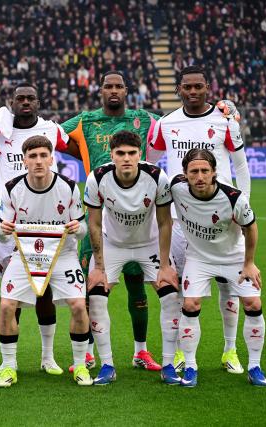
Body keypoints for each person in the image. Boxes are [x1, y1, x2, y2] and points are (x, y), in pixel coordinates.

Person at [148, 65, 251, 374]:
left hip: (224, 215)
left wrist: (241, 209)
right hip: (182, 220)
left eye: (198, 86)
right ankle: (181, 351)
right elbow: (152, 164)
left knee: (229, 287)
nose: (193, 91)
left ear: (208, 87)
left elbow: (241, 167)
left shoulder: (225, 121)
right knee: (181, 286)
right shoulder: (166, 124)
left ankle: (230, 349)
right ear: (179, 89)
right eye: (187, 87)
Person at [62, 71, 162, 371]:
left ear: (127, 90)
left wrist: (226, 109)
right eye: (108, 87)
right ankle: (89, 352)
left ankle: (140, 352)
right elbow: (50, 134)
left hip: (135, 216)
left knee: (136, 284)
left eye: (119, 86)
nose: (114, 91)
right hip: (96, 213)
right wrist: (80, 152)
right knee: (91, 287)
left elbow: (179, 128)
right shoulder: (85, 121)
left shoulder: (145, 119)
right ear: (100, 91)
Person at [0, 82, 69, 376]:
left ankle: (47, 357)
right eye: (20, 99)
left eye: (31, 98)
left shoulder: (51, 130)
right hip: (11, 224)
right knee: (10, 294)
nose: (26, 102)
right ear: (12, 102)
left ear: (38, 101)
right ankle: (9, 362)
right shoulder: (2, 131)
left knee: (46, 294)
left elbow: (80, 148)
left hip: (47, 222)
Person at [0, 136, 92, 388]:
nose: (38, 161)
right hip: (24, 255)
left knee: (79, 306)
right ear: (24, 160)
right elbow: (0, 230)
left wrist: (76, 227)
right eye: (32, 156)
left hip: (63, 256)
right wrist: (3, 230)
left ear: (51, 158)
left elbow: (82, 229)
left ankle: (80, 364)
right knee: (6, 306)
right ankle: (8, 366)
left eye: (43, 155)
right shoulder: (11, 188)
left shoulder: (69, 187)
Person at [84, 130, 178, 385]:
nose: (126, 158)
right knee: (96, 298)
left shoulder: (157, 177)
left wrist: (166, 264)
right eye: (121, 153)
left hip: (148, 244)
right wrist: (99, 267)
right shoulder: (98, 178)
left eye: (132, 153)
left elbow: (165, 222)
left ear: (140, 155)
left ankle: (169, 365)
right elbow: (93, 224)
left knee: (171, 297)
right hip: (113, 244)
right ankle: (107, 365)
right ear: (112, 155)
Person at [169, 148, 266, 387]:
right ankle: (190, 366)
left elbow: (251, 227)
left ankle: (255, 365)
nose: (200, 176)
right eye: (194, 171)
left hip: (234, 258)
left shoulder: (234, 197)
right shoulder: (176, 188)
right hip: (199, 259)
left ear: (215, 172)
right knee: (190, 304)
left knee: (253, 303)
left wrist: (250, 263)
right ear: (185, 173)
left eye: (205, 171)